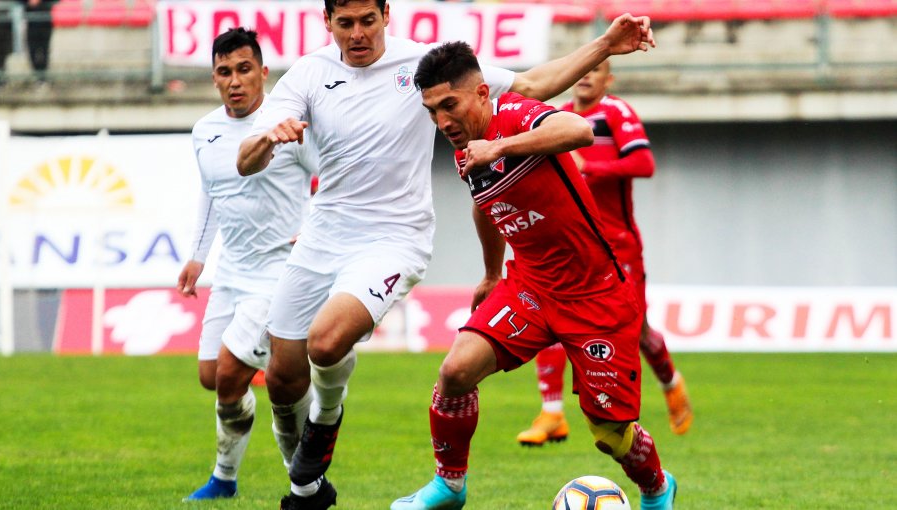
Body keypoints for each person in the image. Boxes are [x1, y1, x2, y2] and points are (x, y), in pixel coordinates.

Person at [236, 1, 655, 508]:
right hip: (339, 237)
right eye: (345, 23)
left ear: (386, 14)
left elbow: (540, 95)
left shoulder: (439, 78)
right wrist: (267, 138)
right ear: (327, 22)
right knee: (287, 378)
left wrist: (605, 46)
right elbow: (247, 161)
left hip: (405, 240)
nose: (357, 33)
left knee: (325, 344)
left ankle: (326, 418)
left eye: (367, 20)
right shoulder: (311, 74)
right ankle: (341, 486)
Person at [392, 41, 676, 510]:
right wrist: (488, 272)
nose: (442, 122)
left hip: (595, 293)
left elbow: (579, 129)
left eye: (450, 105)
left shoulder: (515, 116)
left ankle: (657, 486)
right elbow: (485, 204)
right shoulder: (466, 151)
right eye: (432, 111)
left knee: (609, 433)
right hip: (530, 285)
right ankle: (449, 486)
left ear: (482, 94)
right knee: (455, 371)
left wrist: (499, 146)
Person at [516, 60, 693, 447]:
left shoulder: (615, 111)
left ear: (607, 78)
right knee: (553, 320)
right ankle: (551, 412)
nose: (586, 75)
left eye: (596, 70)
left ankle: (671, 381)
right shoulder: (558, 118)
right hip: (574, 245)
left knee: (639, 330)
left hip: (618, 244)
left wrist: (590, 166)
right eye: (582, 69)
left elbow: (644, 163)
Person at [176, 27, 316, 501]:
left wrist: (315, 229)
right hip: (231, 272)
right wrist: (198, 257)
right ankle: (290, 381)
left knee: (232, 375)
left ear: (263, 72)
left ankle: (247, 478)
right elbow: (211, 193)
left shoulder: (289, 126)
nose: (235, 80)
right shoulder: (205, 131)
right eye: (224, 72)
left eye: (244, 69)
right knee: (211, 377)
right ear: (214, 79)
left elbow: (335, 178)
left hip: (279, 273)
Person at [21, 0, 55, 84]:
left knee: (44, 50)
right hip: (31, 22)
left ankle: (42, 77)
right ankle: (38, 76)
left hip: (45, 21)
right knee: (32, 50)